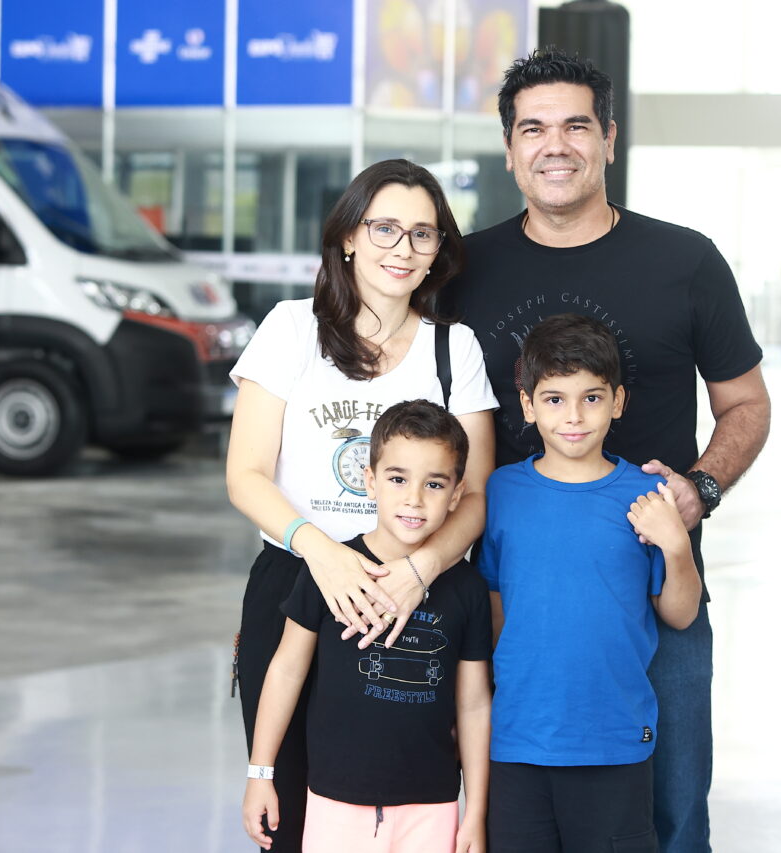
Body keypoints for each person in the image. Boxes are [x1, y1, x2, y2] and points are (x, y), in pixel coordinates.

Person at [441, 48, 770, 853]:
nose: (555, 145)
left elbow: (747, 403)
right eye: (533, 129)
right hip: (516, 595)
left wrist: (700, 489)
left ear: (610, 139)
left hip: (655, 585)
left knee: (673, 813)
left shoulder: (685, 261)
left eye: (576, 126)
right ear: (509, 148)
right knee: (515, 811)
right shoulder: (463, 271)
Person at [227, 159, 497, 852]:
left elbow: (475, 495)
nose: (402, 248)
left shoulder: (453, 348)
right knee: (290, 814)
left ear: (438, 250)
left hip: (413, 593)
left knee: (402, 808)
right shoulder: (291, 328)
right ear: (348, 235)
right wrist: (326, 556)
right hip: (298, 580)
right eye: (384, 228)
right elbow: (246, 476)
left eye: (422, 233)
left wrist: (421, 571)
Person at [479, 314, 702, 851]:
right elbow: (496, 611)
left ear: (618, 401)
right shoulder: (502, 491)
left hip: (614, 740)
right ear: (527, 405)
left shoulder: (645, 494)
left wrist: (676, 544)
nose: (574, 416)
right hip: (519, 739)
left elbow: (680, 614)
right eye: (554, 399)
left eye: (592, 398)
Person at [242, 400, 493, 852]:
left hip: (433, 806)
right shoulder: (330, 571)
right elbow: (285, 671)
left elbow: (473, 704)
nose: (414, 499)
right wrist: (260, 773)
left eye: (434, 484)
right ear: (370, 481)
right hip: (334, 803)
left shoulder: (467, 588)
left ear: (457, 494)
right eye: (398, 479)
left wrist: (474, 812)